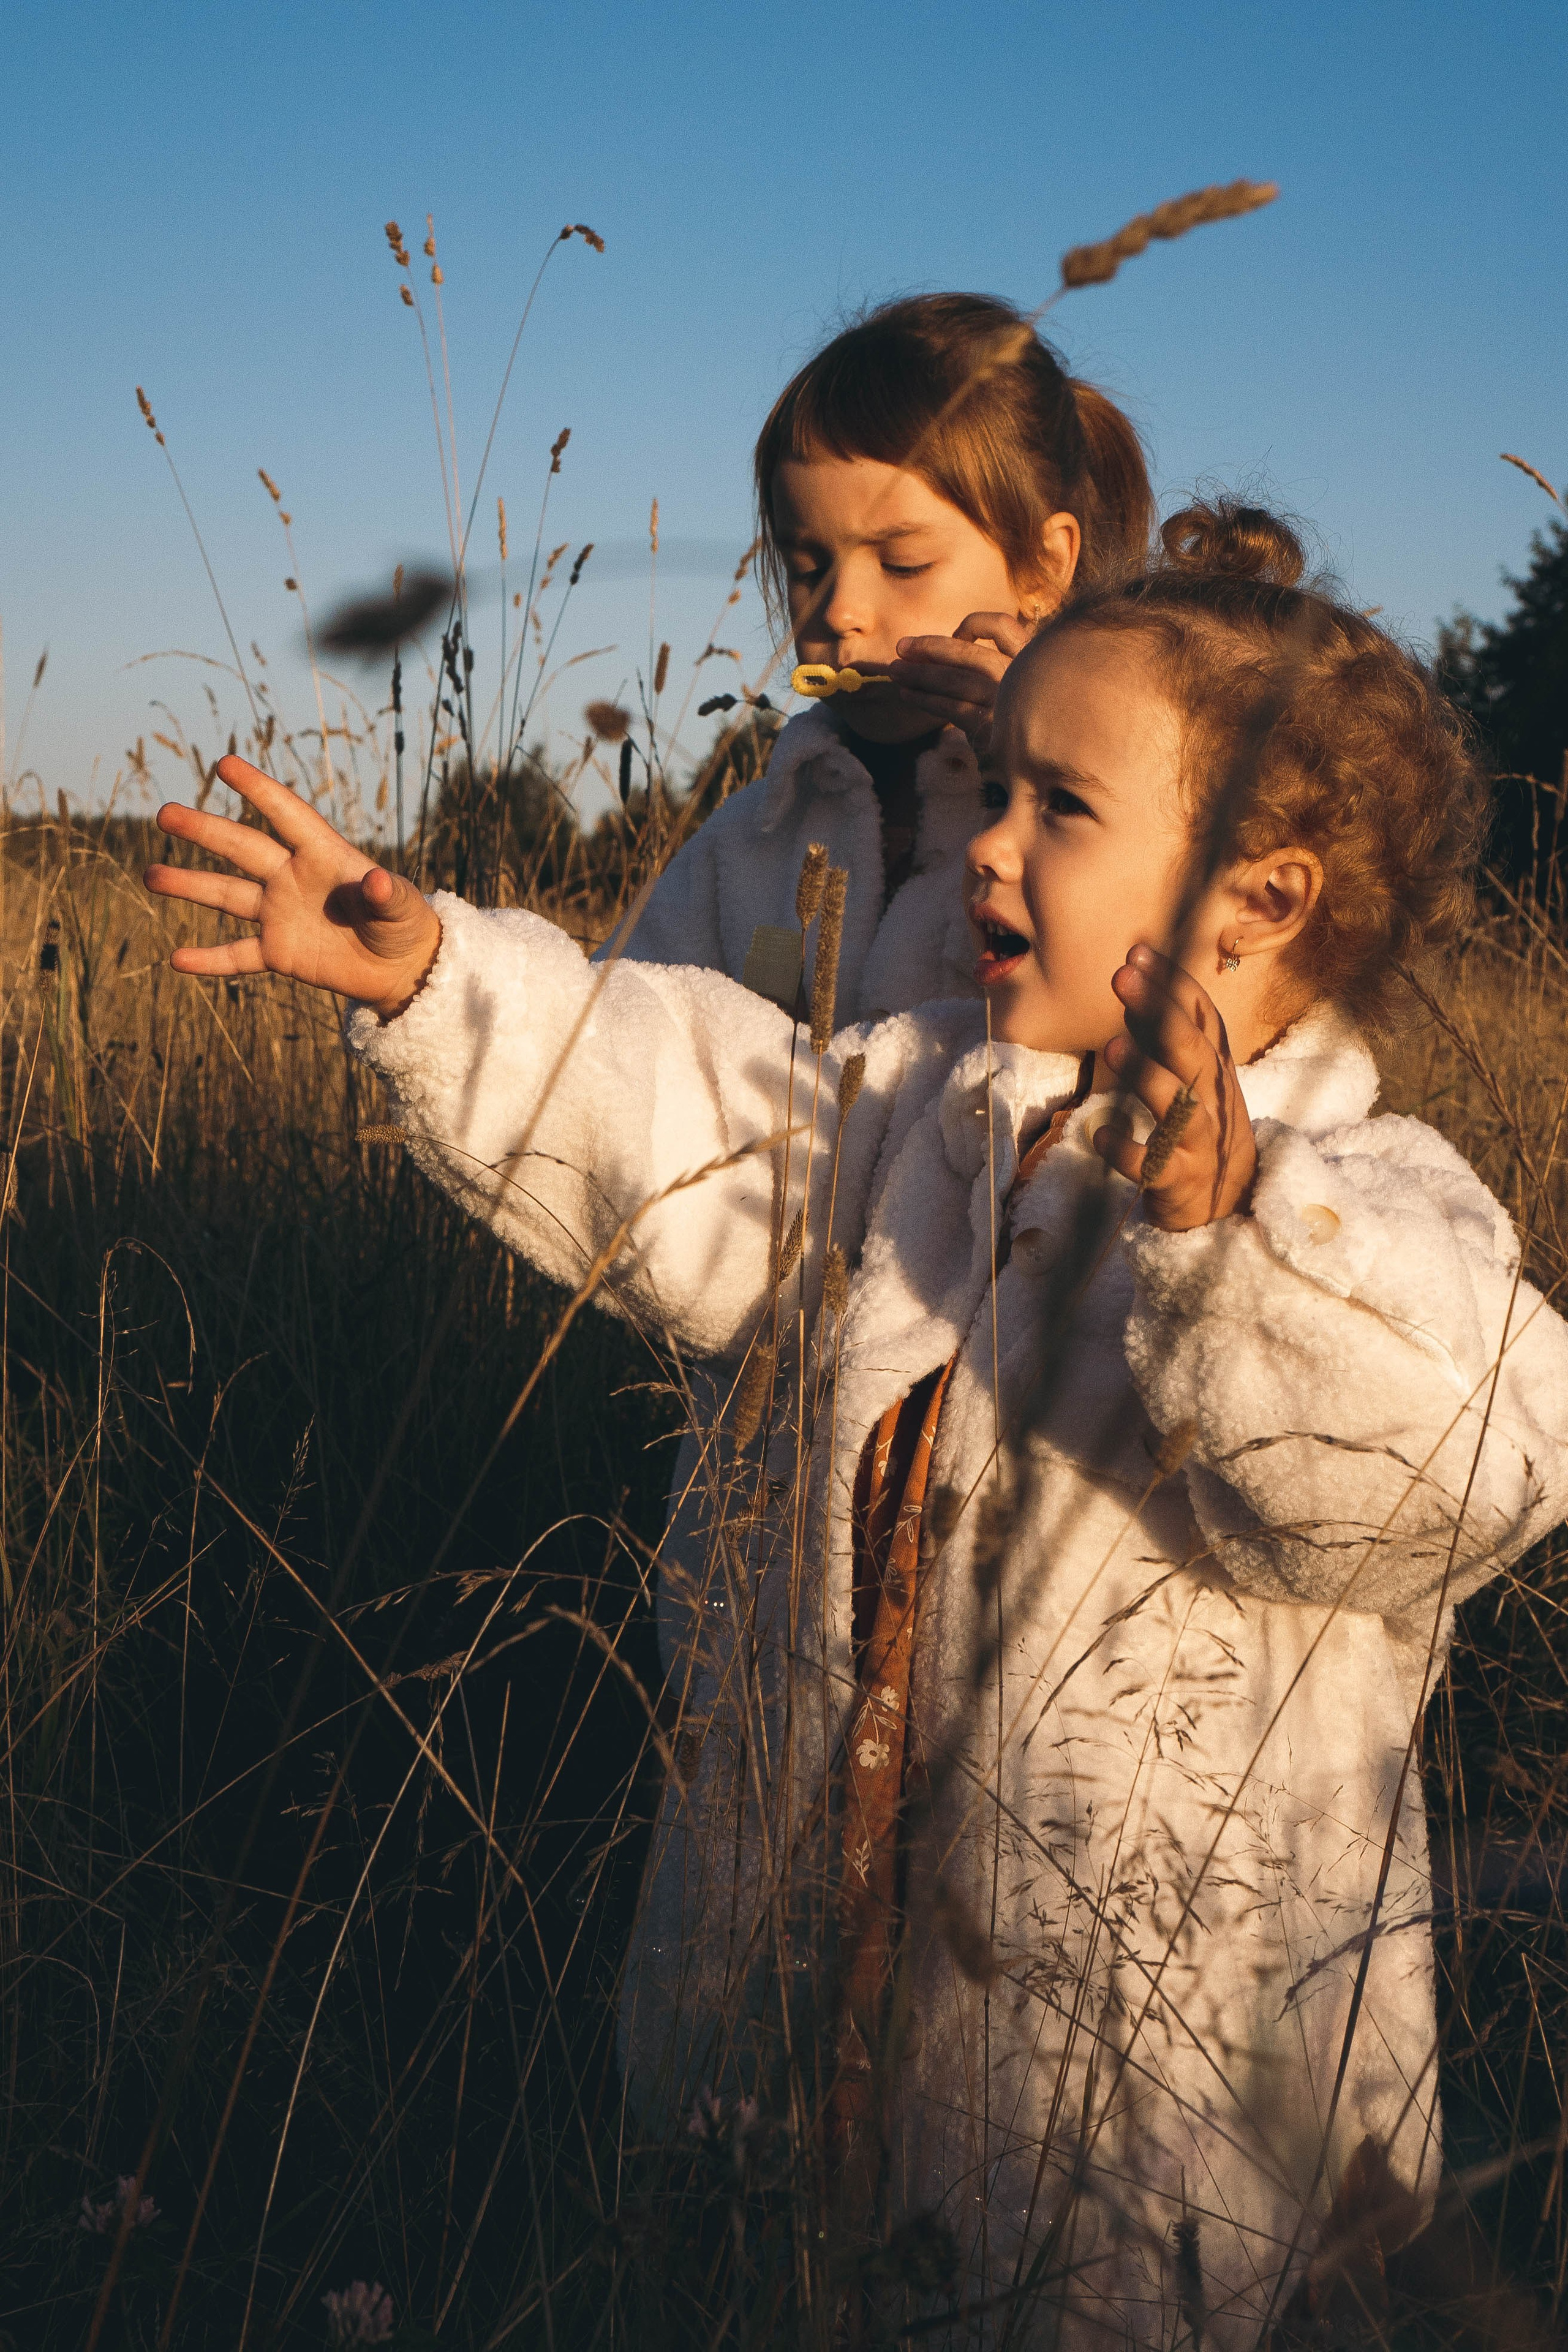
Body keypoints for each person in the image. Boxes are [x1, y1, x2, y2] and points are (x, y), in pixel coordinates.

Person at [143, 501, 1568, 2346]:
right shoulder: (916, 1114)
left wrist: (1227, 1227)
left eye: (1059, 805)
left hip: (1152, 2107)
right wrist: (438, 980)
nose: (983, 842)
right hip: (801, 2004)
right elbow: (671, 1104)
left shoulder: (1368, 1202)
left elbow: (1449, 1464)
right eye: (997, 788)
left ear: (1259, 891)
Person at [607, 289, 1154, 1018]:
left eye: (902, 564)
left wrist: (1022, 768)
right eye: (808, 568)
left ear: (1043, 568)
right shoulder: (754, 841)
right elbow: (611, 1020)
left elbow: (1132, 997)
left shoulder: (1114, 811)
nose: (838, 611)